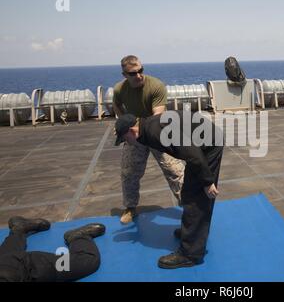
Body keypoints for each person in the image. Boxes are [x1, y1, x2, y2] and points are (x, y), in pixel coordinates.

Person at [115, 111, 223, 269]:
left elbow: (191, 152)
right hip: (199, 145)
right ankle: (191, 234)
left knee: (197, 198)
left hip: (208, 146)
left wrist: (207, 181)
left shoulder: (154, 132)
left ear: (132, 131)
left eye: (125, 139)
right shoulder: (147, 128)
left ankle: (190, 254)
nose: (127, 142)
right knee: (188, 192)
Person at [113, 55, 185, 224]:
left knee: (175, 171)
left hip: (157, 132)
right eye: (133, 73)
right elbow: (116, 104)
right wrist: (125, 123)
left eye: (140, 71)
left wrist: (140, 129)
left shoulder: (156, 86)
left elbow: (157, 118)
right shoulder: (119, 89)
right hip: (135, 135)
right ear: (124, 74)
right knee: (129, 173)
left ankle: (189, 205)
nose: (138, 76)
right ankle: (130, 207)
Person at [0, 216, 105, 282]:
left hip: (21, 269)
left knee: (87, 260)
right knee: (7, 256)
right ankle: (18, 229)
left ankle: (77, 236)